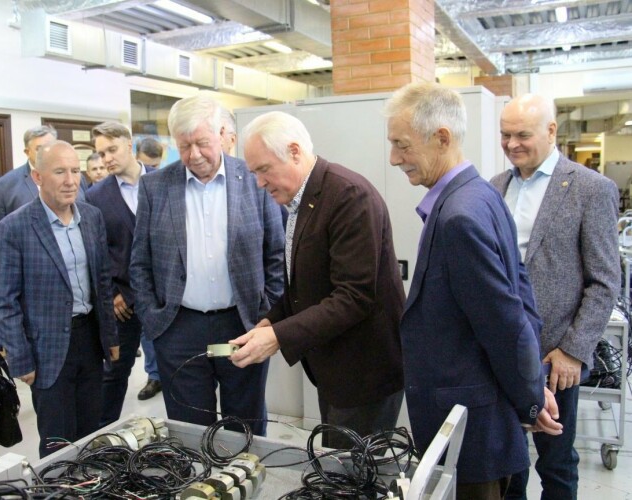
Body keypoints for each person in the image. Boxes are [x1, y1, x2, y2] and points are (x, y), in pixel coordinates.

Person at [386, 82, 562, 499]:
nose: (394, 158)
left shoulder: (459, 217)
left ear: (442, 137)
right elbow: (521, 297)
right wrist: (531, 386)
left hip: (471, 429)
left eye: (402, 145)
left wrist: (531, 400)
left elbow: (505, 323)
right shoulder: (483, 193)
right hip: (481, 414)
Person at [230, 111, 405, 448]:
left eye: (264, 169)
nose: (259, 183)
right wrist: (271, 322)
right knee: (336, 464)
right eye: (254, 173)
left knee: (350, 471)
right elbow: (303, 284)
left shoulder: (348, 196)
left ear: (294, 152)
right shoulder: (303, 200)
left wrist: (278, 336)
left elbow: (353, 297)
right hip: (335, 370)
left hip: (364, 374)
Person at [129, 94, 284, 436]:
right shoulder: (155, 186)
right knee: (189, 429)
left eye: (201, 143)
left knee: (244, 424)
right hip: (178, 328)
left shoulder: (253, 179)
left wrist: (267, 314)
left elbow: (276, 253)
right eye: (184, 146)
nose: (194, 154)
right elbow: (140, 261)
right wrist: (154, 320)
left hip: (241, 325)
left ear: (223, 134)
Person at [491, 94, 620, 500]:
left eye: (522, 135)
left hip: (554, 356)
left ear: (551, 131)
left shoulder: (590, 189)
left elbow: (604, 282)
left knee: (556, 463)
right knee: (507, 463)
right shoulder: (495, 187)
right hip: (501, 351)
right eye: (505, 135)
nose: (511, 144)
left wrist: (573, 351)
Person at [0, 140, 119, 457]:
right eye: (60, 172)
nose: (71, 180)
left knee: (91, 432)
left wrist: (110, 337)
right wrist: (20, 358)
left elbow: (103, 282)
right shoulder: (14, 228)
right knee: (57, 440)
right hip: (46, 347)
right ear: (37, 177)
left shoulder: (91, 217)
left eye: (75, 171)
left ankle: (91, 481)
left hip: (90, 339)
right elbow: (5, 301)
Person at [86, 122, 150, 426]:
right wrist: (111, 293)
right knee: (113, 374)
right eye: (101, 153)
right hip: (123, 303)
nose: (107, 158)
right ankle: (101, 438)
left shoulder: (163, 182)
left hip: (167, 298)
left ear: (129, 144)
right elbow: (95, 253)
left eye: (112, 150)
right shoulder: (95, 197)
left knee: (177, 370)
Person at [0, 125, 86, 229]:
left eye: (51, 148)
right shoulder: (6, 185)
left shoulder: (76, 179)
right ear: (27, 152)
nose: (48, 153)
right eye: (39, 149)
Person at [133, 136, 164, 401]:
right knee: (147, 330)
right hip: (134, 282)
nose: (152, 170)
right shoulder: (100, 193)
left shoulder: (164, 184)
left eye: (156, 165)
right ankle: (154, 374)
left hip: (164, 279)